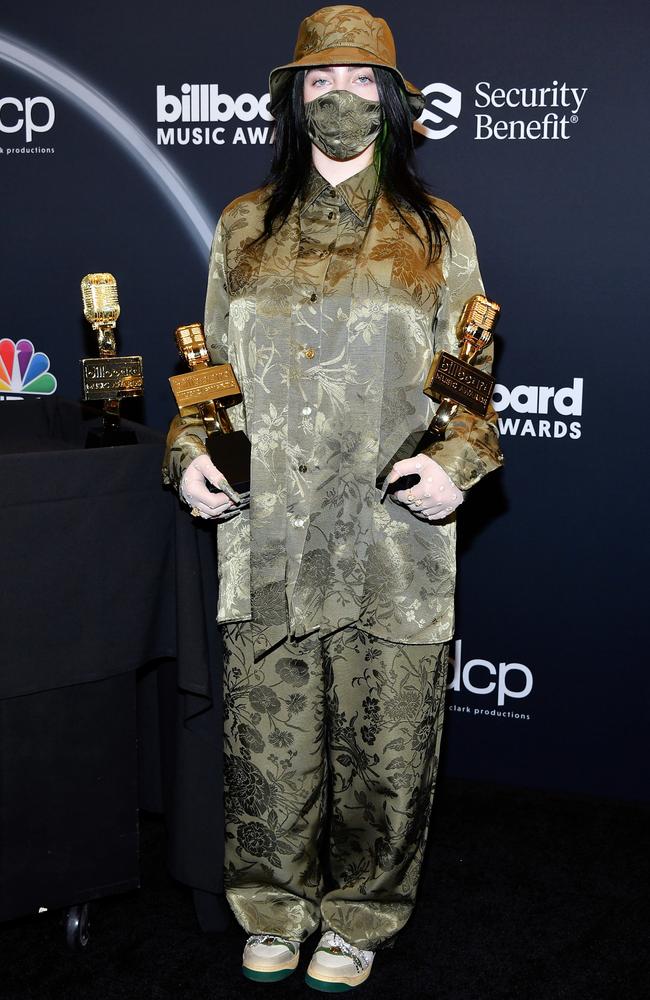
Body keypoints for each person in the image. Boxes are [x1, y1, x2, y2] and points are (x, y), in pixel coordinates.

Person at [163, 5, 503, 991]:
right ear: (294, 98)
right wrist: (188, 452)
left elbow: (468, 381)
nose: (339, 94)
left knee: (388, 750)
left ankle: (358, 915)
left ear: (391, 100)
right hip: (265, 534)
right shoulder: (241, 225)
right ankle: (272, 906)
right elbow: (206, 372)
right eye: (319, 80)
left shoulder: (437, 232)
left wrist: (459, 461)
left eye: (359, 79)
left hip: (392, 538)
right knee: (264, 747)